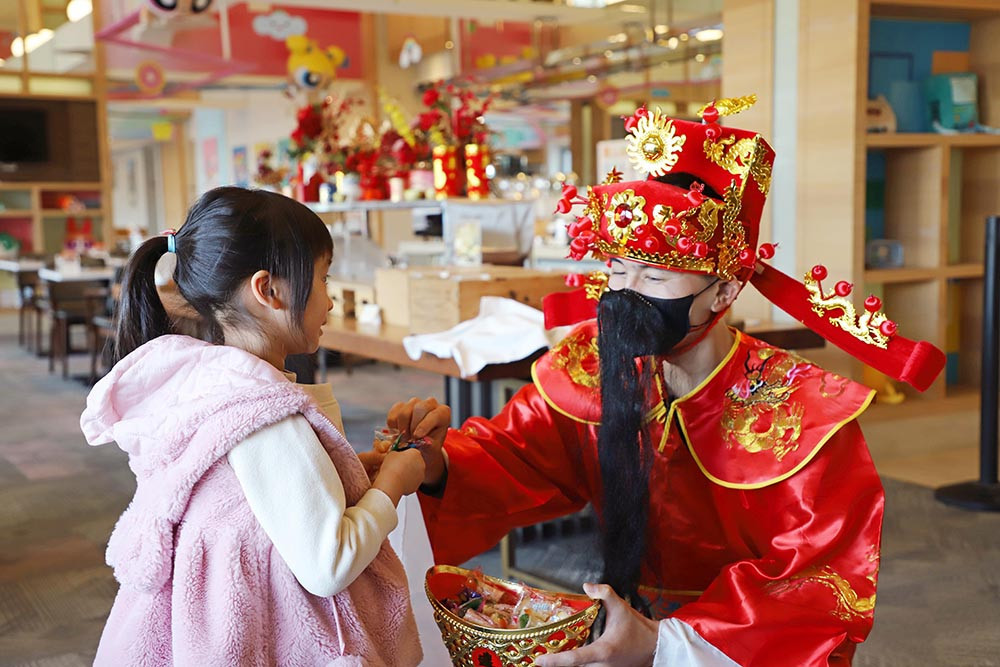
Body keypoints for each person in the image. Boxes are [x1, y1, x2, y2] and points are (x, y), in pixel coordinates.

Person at [387, 101, 944, 666]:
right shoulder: (597, 363)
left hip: (734, 650)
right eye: (618, 271)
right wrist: (433, 465)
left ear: (725, 292)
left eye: (654, 274)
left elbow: (817, 585)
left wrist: (664, 644)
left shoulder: (804, 413)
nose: (626, 293)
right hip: (619, 623)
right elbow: (515, 455)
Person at [80, 187, 424, 666]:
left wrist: (359, 472)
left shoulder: (216, 382)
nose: (329, 301)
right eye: (323, 279)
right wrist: (394, 483)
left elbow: (270, 497)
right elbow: (328, 564)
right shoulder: (263, 414)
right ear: (269, 290)